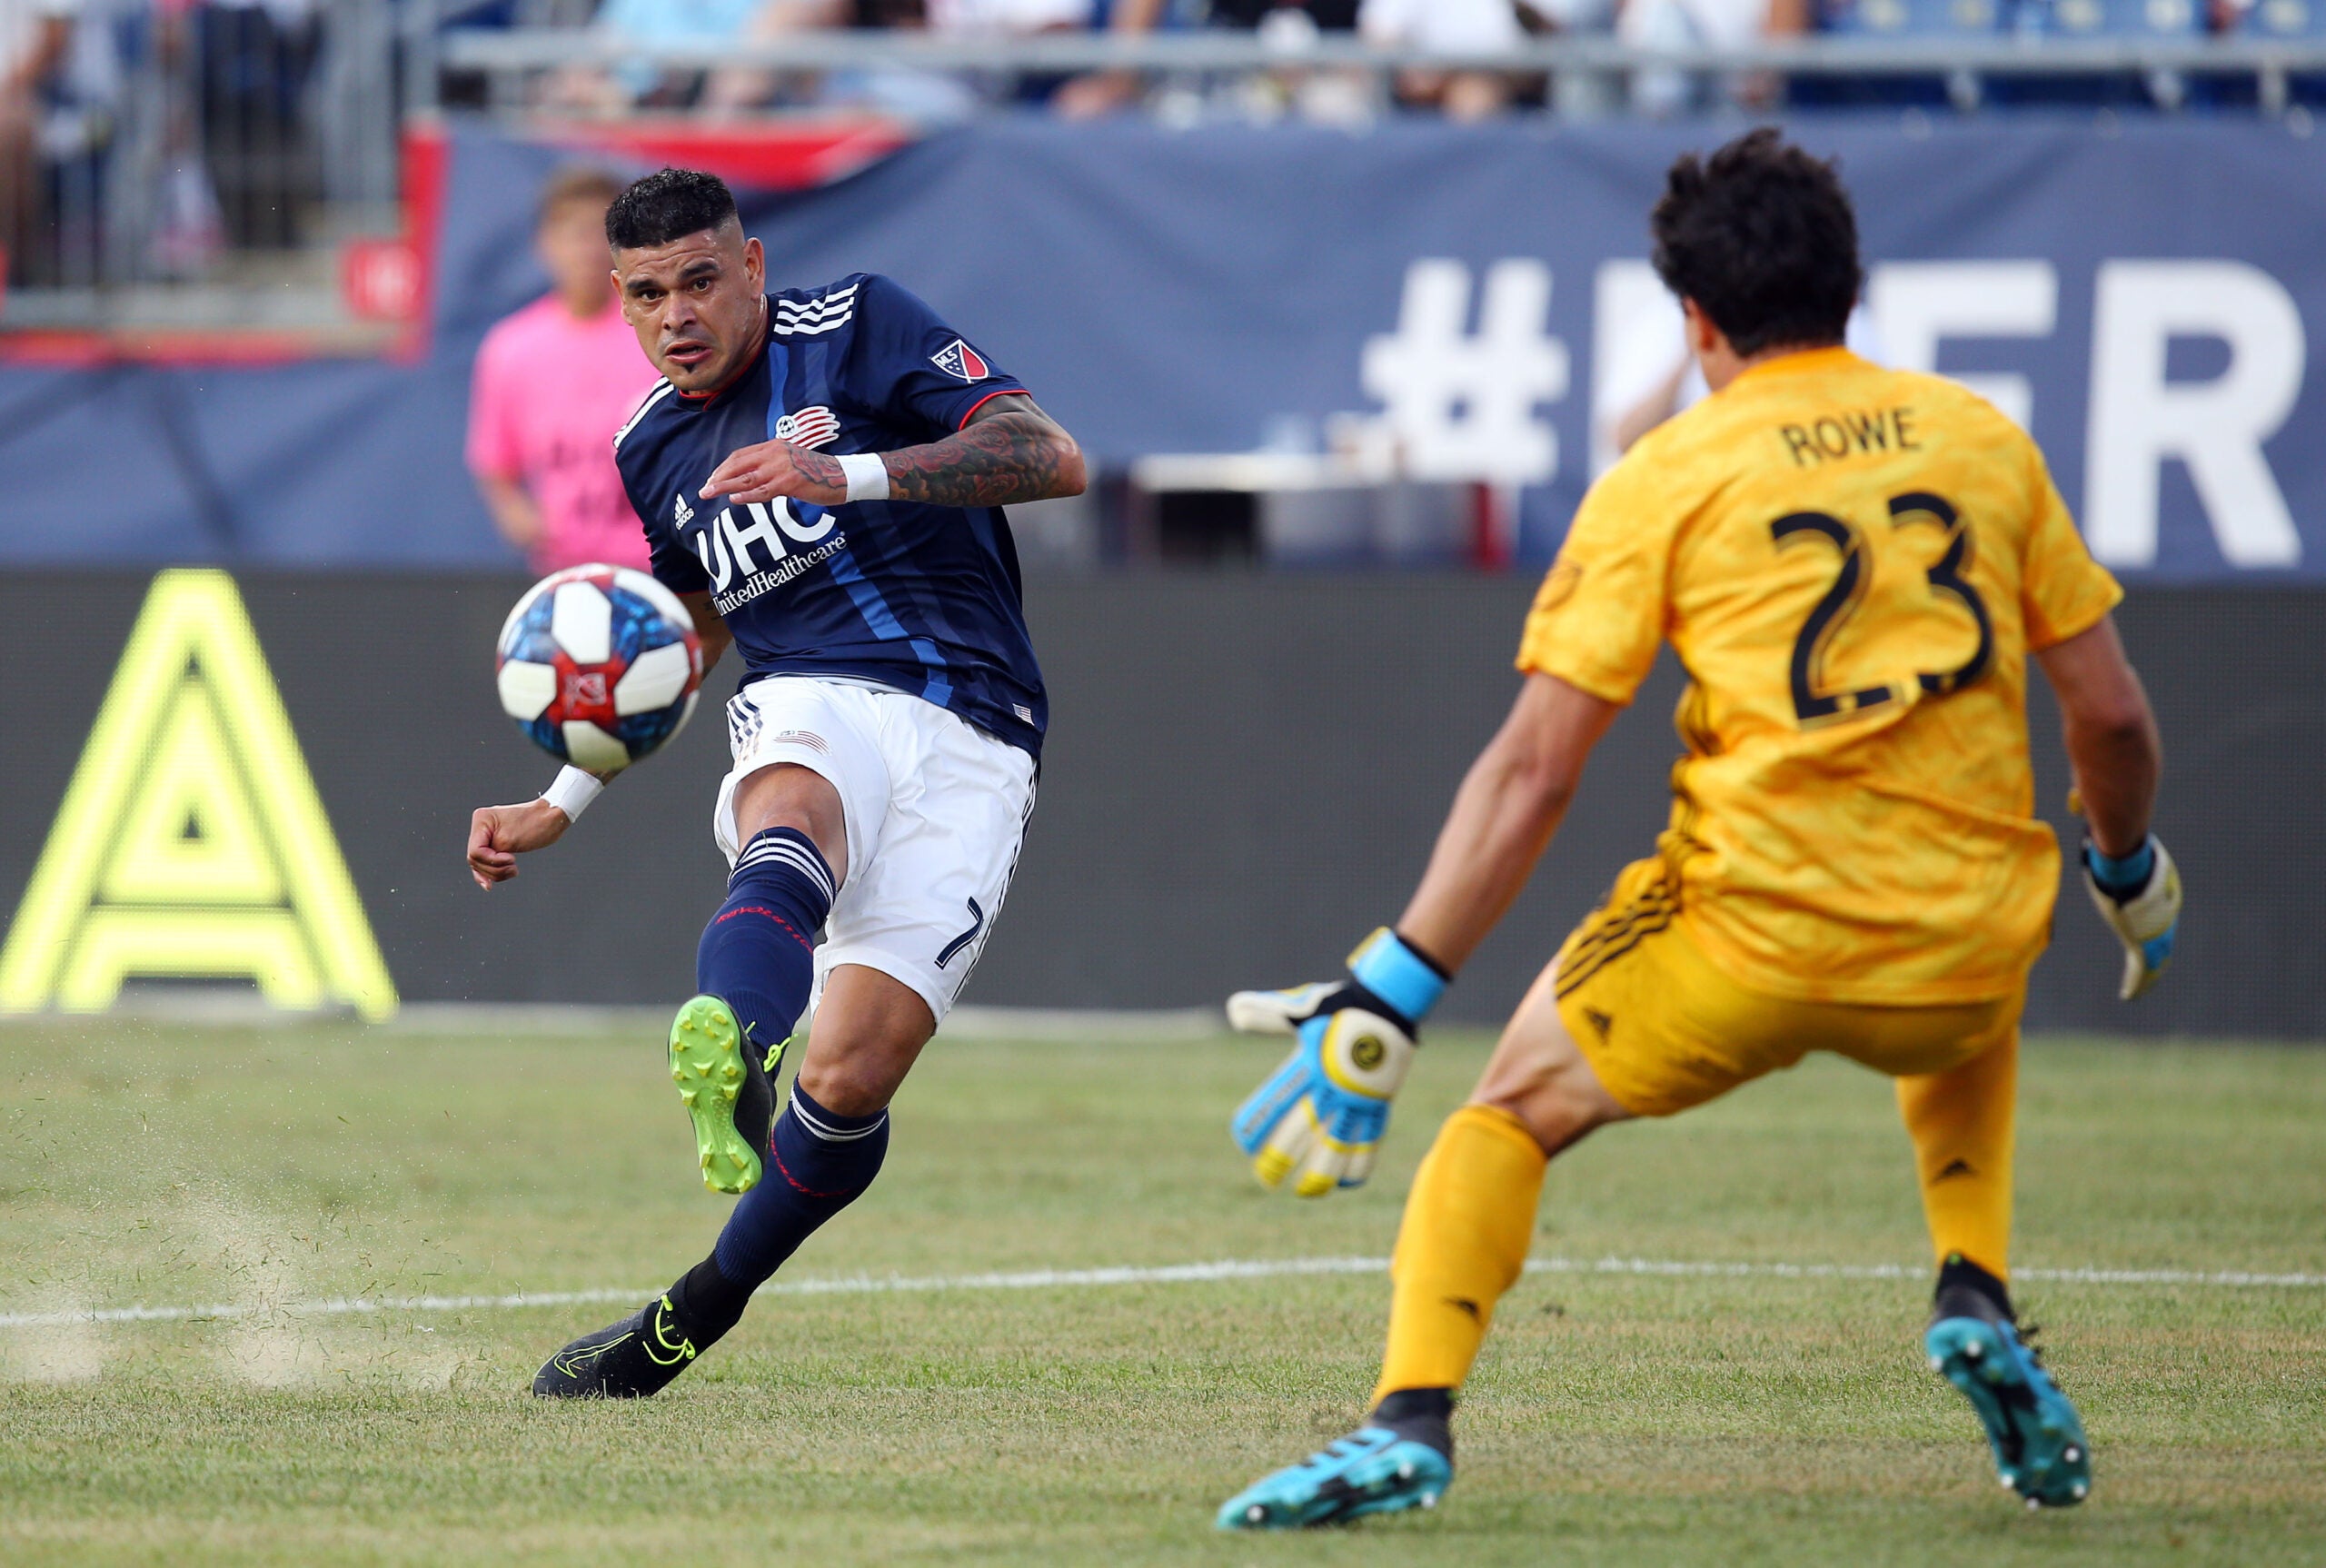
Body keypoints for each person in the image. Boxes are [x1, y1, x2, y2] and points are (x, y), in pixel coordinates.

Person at [1215, 128, 2181, 1528]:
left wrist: (1399, 982)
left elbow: (1536, 768)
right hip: (1971, 937)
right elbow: (2114, 719)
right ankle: (1973, 1286)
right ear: (1854, 288)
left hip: (1755, 932)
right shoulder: (1982, 441)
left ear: (1696, 319)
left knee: (1505, 1116)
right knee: (1965, 990)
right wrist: (2127, 865)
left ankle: (1407, 1416)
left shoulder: (1669, 473)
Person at [463, 168, 1085, 1398]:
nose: (675, 314)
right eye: (645, 294)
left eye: (699, 280)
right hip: (812, 693)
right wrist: (567, 788)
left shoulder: (854, 321)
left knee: (851, 1080)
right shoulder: (652, 447)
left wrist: (846, 475)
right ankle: (739, 1041)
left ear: (751, 269)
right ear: (620, 301)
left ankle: (687, 1316)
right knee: (788, 801)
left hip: (978, 730)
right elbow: (681, 633)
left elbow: (1048, 454)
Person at [466, 165, 660, 574]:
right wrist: (525, 522)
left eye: (602, 235)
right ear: (545, 243)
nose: (589, 250)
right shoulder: (510, 348)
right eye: (575, 233)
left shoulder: (662, 331)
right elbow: (495, 462)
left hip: (664, 571)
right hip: (566, 577)